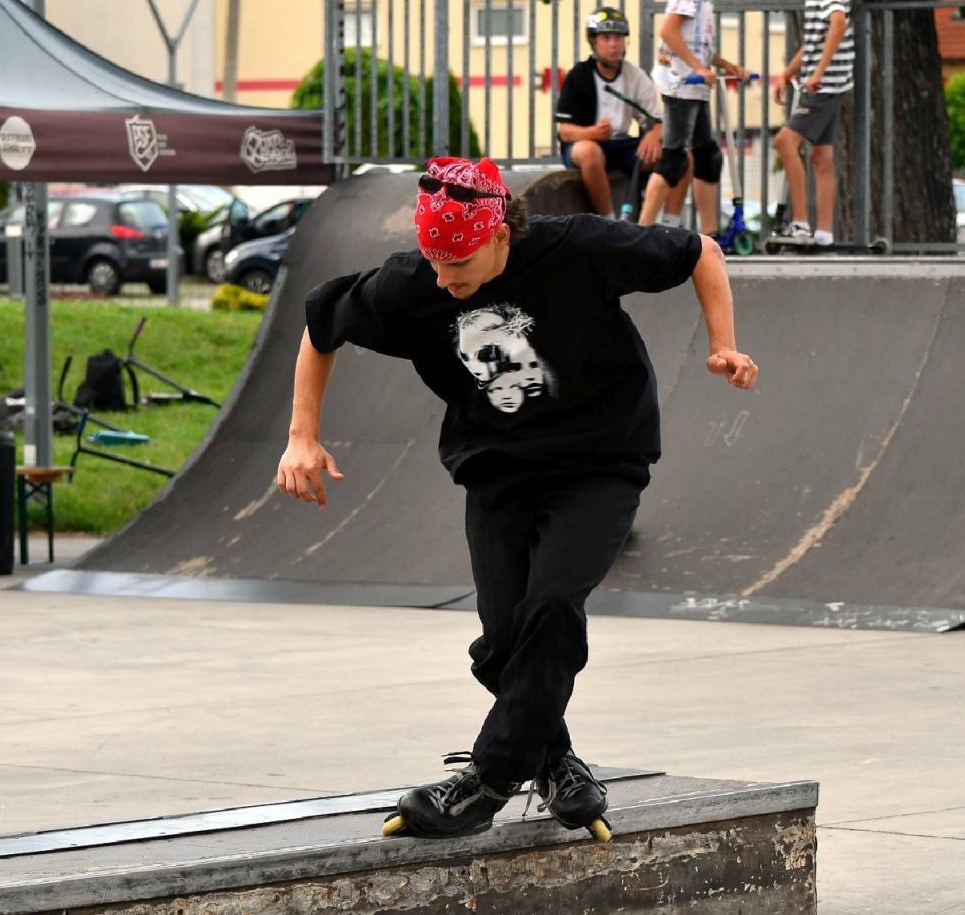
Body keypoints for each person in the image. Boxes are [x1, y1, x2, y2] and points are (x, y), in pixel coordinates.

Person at [277, 157, 757, 839]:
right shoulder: (415, 282)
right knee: (503, 643)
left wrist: (724, 345)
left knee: (554, 605)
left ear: (501, 234)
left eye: (460, 265)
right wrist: (302, 435)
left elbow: (700, 251)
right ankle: (554, 758)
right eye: (436, 264)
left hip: (600, 461)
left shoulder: (581, 248)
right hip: (498, 471)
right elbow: (322, 322)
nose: (446, 281)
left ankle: (492, 776)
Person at [637, 0, 746, 233]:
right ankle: (640, 233)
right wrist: (698, 68)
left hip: (695, 87)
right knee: (674, 160)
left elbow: (699, 46)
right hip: (681, 84)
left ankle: (709, 235)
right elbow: (668, 31)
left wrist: (726, 65)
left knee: (707, 158)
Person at [555, 6, 664, 218]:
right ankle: (609, 221)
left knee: (676, 156)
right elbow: (565, 132)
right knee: (589, 152)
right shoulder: (579, 75)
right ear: (594, 43)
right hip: (587, 145)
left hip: (621, 145)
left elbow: (657, 117)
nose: (613, 44)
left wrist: (653, 134)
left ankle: (656, 224)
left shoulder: (635, 75)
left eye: (618, 37)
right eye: (606, 38)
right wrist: (592, 133)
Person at [773, 0, 855, 246]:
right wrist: (789, 72)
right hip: (823, 84)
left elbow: (838, 24)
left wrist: (819, 72)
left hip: (824, 85)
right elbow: (815, 42)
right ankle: (825, 234)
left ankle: (800, 224)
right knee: (821, 157)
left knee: (785, 143)